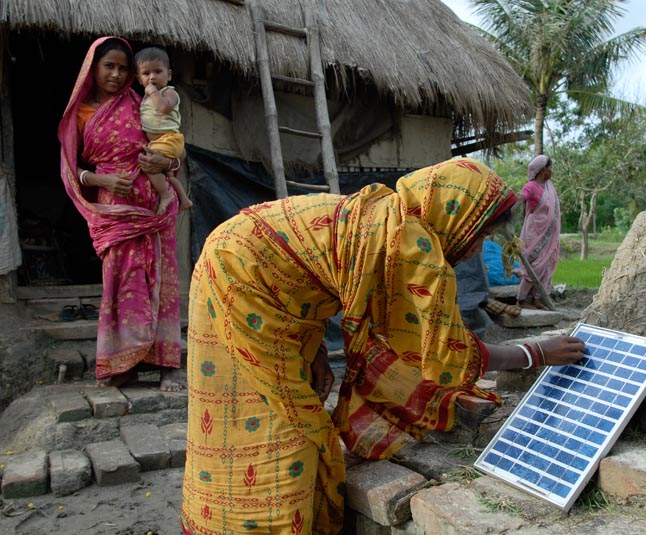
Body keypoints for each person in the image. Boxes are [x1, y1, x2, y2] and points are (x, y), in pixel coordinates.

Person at [180, 158, 585, 534]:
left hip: (250, 268)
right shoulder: (412, 243)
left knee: (254, 408)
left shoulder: (391, 213)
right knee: (291, 427)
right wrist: (537, 353)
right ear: (455, 214)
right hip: (243, 278)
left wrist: (318, 352)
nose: (478, 248)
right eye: (481, 235)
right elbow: (446, 350)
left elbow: (306, 269)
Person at [57, 36, 184, 392]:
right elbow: (70, 169)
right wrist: (102, 178)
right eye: (108, 66)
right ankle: (123, 364)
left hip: (155, 206)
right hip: (114, 208)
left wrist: (167, 161)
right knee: (121, 282)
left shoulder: (143, 101)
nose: (116, 74)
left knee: (161, 281)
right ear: (92, 69)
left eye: (123, 68)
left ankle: (166, 364)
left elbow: (171, 140)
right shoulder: (79, 112)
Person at [134, 46, 192, 215]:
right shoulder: (144, 99)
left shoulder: (169, 93)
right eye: (146, 74)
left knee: (149, 165)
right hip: (160, 142)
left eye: (158, 71)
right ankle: (184, 199)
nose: (152, 77)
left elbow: (163, 108)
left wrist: (153, 92)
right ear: (138, 79)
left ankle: (165, 195)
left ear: (169, 75)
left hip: (169, 139)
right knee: (169, 175)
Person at [516, 154, 561, 310]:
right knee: (534, 265)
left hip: (549, 233)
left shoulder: (549, 186)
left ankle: (535, 298)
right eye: (549, 169)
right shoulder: (531, 187)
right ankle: (521, 300)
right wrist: (506, 212)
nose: (551, 172)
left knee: (547, 264)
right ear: (542, 171)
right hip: (535, 231)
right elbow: (520, 200)